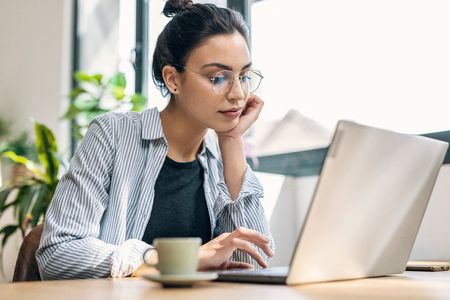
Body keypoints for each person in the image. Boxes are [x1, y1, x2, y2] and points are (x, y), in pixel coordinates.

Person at [36, 0, 274, 280]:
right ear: (172, 79)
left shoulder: (222, 156)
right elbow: (58, 253)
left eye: (243, 76)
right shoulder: (112, 135)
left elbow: (255, 266)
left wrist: (232, 140)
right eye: (218, 77)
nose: (238, 94)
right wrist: (167, 259)